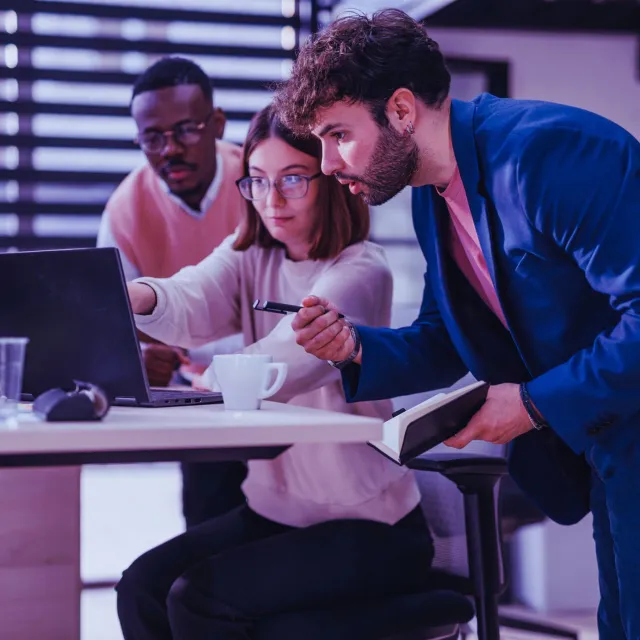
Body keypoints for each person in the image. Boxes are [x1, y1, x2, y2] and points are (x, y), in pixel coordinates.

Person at [275, 9, 640, 640]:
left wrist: (529, 404)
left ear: (401, 110)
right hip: (612, 440)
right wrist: (356, 346)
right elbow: (450, 335)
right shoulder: (431, 194)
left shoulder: (547, 154)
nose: (328, 163)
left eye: (338, 135)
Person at [115, 104, 434, 640]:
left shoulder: (360, 269)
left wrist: (209, 381)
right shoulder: (250, 255)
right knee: (142, 587)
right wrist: (133, 296)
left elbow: (289, 361)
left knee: (201, 601)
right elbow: (190, 296)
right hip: (276, 513)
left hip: (372, 529)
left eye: (291, 179)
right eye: (258, 181)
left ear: (330, 178)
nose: (272, 199)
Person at [97, 56, 248, 528]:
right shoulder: (125, 210)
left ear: (217, 124)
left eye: (185, 130)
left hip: (278, 383)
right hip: (195, 403)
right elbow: (109, 326)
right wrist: (135, 361)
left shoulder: (262, 183)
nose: (169, 150)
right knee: (206, 530)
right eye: (152, 138)